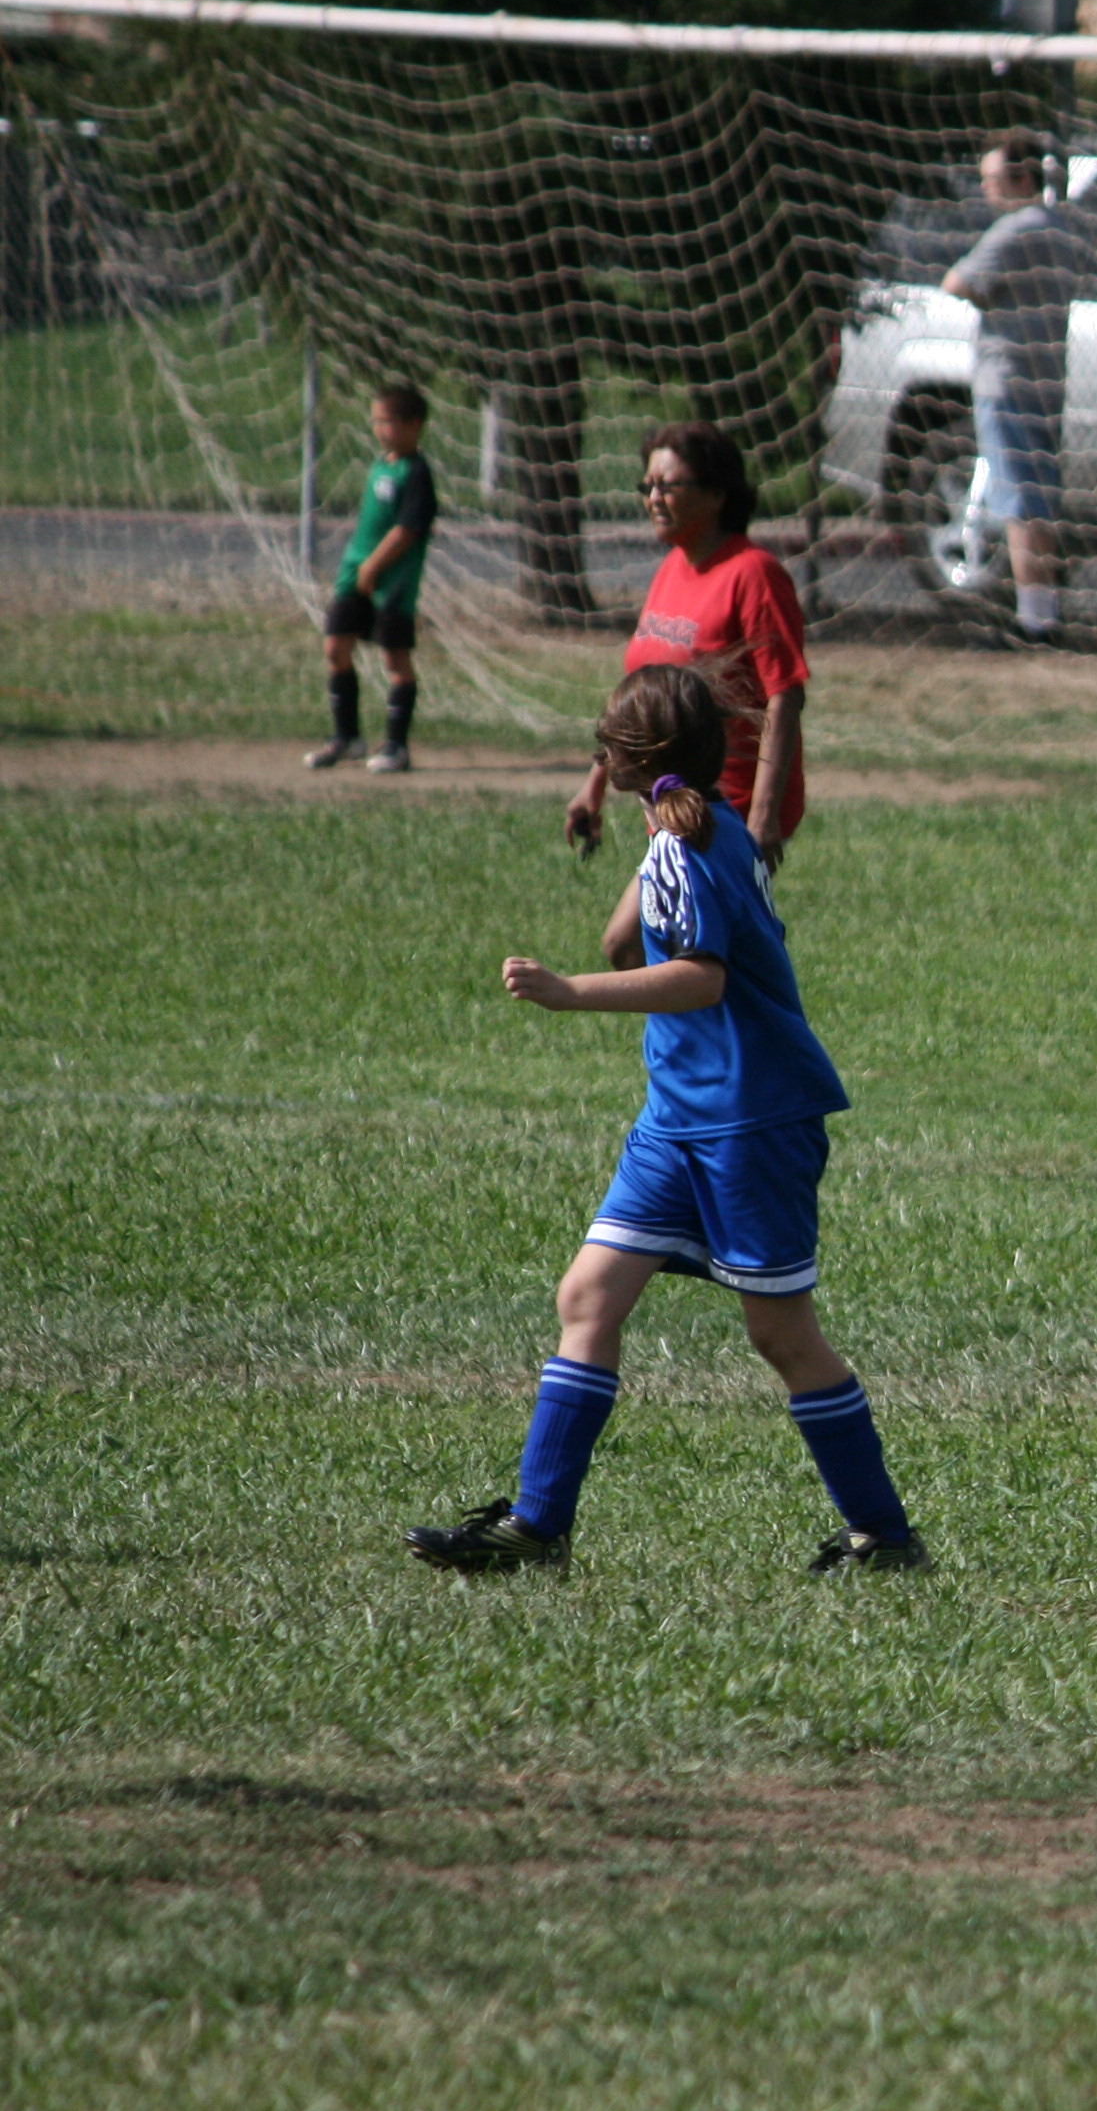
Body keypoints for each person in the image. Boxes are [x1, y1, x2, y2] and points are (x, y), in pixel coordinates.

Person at [410, 664, 924, 1577]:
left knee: (784, 1337)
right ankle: (537, 1527)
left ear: (631, 760)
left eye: (603, 746)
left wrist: (570, 993)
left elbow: (702, 979)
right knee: (588, 1299)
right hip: (679, 1119)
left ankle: (884, 1535)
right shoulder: (700, 832)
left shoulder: (688, 847)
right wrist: (638, 888)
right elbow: (630, 941)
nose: (596, 760)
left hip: (751, 1121)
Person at [564, 424, 808, 863]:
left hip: (728, 811)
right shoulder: (673, 567)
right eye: (648, 486)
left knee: (641, 916)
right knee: (678, 913)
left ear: (717, 493)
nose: (653, 498)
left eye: (669, 486)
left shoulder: (754, 573)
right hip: (671, 808)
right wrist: (595, 783)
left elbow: (785, 694)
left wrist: (763, 814)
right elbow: (643, 699)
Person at [940, 130, 1072, 638]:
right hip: (1046, 376)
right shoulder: (1059, 227)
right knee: (1039, 498)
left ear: (1020, 177)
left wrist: (985, 296)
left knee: (1019, 501)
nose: (985, 188)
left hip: (1008, 379)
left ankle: (1033, 620)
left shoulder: (1017, 228)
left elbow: (958, 282)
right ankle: (1045, 610)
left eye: (991, 178)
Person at [307, 381, 438, 774]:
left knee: (394, 656)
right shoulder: (381, 465)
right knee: (336, 647)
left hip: (392, 578)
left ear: (414, 425)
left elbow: (408, 529)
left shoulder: (417, 473)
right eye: (376, 421)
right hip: (356, 571)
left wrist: (374, 567)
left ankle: (397, 747)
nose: (380, 429)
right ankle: (347, 738)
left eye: (388, 421)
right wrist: (359, 566)